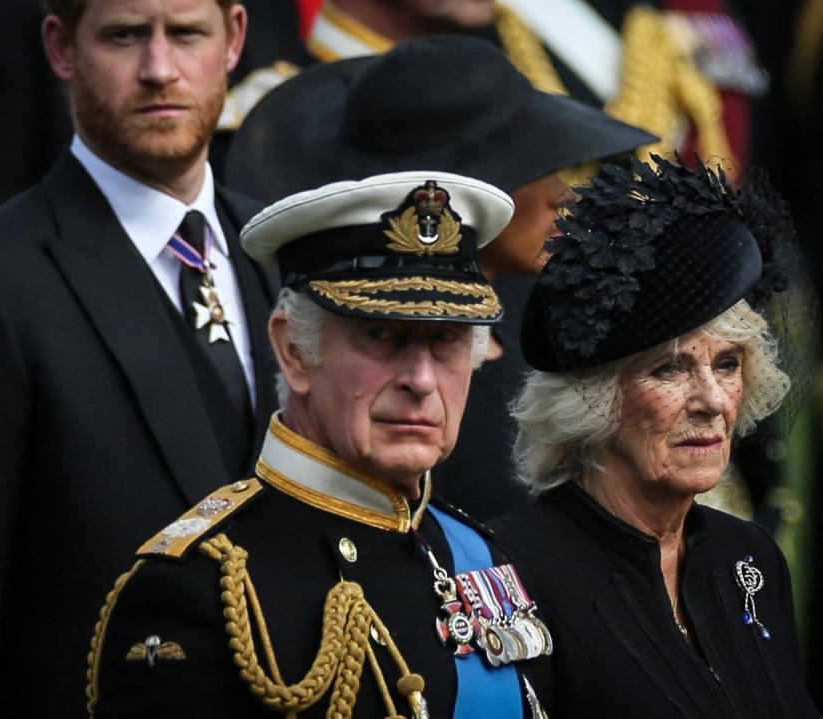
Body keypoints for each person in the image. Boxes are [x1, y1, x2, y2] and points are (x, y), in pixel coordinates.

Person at [0, 1, 280, 717]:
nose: (159, 69)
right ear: (61, 47)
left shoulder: (279, 256)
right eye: (124, 36)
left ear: (234, 41)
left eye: (186, 33)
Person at [87, 171, 554, 717]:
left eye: (446, 340)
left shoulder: (479, 555)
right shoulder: (201, 589)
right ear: (292, 350)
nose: (422, 380)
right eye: (381, 335)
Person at [226, 35, 656, 518]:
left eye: (448, 340)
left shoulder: (545, 336)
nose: (565, 195)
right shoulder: (343, 378)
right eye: (382, 334)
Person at [489, 155, 820, 716]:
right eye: (669, 368)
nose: (713, 401)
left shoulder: (751, 558)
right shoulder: (511, 574)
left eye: (728, 364)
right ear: (592, 399)